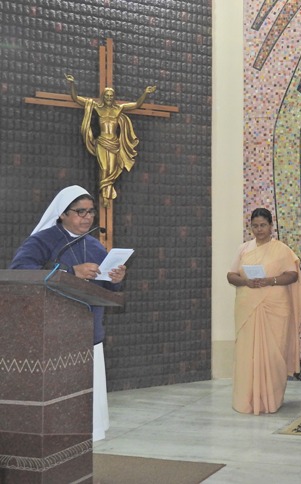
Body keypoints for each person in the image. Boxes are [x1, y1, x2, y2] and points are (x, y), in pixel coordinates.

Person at [9, 185, 127, 441]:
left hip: (88, 330)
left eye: (91, 212)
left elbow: (105, 288)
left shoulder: (95, 246)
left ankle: (89, 435)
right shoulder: (43, 240)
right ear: (62, 213)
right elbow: (20, 269)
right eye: (80, 212)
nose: (87, 217)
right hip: (53, 333)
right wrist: (71, 271)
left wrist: (116, 279)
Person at [227, 208, 301, 415]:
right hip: (247, 307)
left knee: (273, 354)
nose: (259, 229)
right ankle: (246, 400)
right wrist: (246, 282)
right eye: (255, 226)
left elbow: (292, 275)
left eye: (263, 225)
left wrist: (271, 280)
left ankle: (272, 400)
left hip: (275, 308)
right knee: (247, 354)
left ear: (271, 226)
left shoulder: (282, 250)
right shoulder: (244, 249)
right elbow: (231, 275)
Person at [65, 74, 157, 205]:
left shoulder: (119, 109)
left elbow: (137, 104)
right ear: (103, 96)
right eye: (107, 95)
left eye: (111, 96)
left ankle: (107, 194)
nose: (109, 98)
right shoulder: (97, 107)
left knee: (112, 169)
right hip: (102, 142)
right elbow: (76, 98)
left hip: (114, 143)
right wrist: (72, 84)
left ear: (113, 97)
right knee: (104, 169)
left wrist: (145, 93)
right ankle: (105, 196)